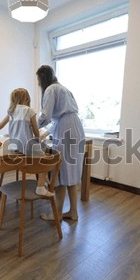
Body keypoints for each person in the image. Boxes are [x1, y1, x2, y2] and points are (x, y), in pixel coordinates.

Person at [36, 65, 85, 221]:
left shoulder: (50, 90)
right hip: (76, 128)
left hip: (66, 131)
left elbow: (46, 116)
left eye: (38, 80)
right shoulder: (63, 89)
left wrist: (31, 125)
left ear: (43, 79)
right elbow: (58, 119)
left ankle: (56, 214)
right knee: (71, 174)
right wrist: (44, 132)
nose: (38, 84)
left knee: (61, 173)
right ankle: (73, 212)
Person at [0, 88, 53, 197]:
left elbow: (1, 124)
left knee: (33, 157)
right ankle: (41, 186)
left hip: (14, 145)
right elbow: (35, 130)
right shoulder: (29, 110)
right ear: (26, 98)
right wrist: (38, 139)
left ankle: (41, 179)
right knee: (46, 160)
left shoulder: (11, 111)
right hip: (27, 144)